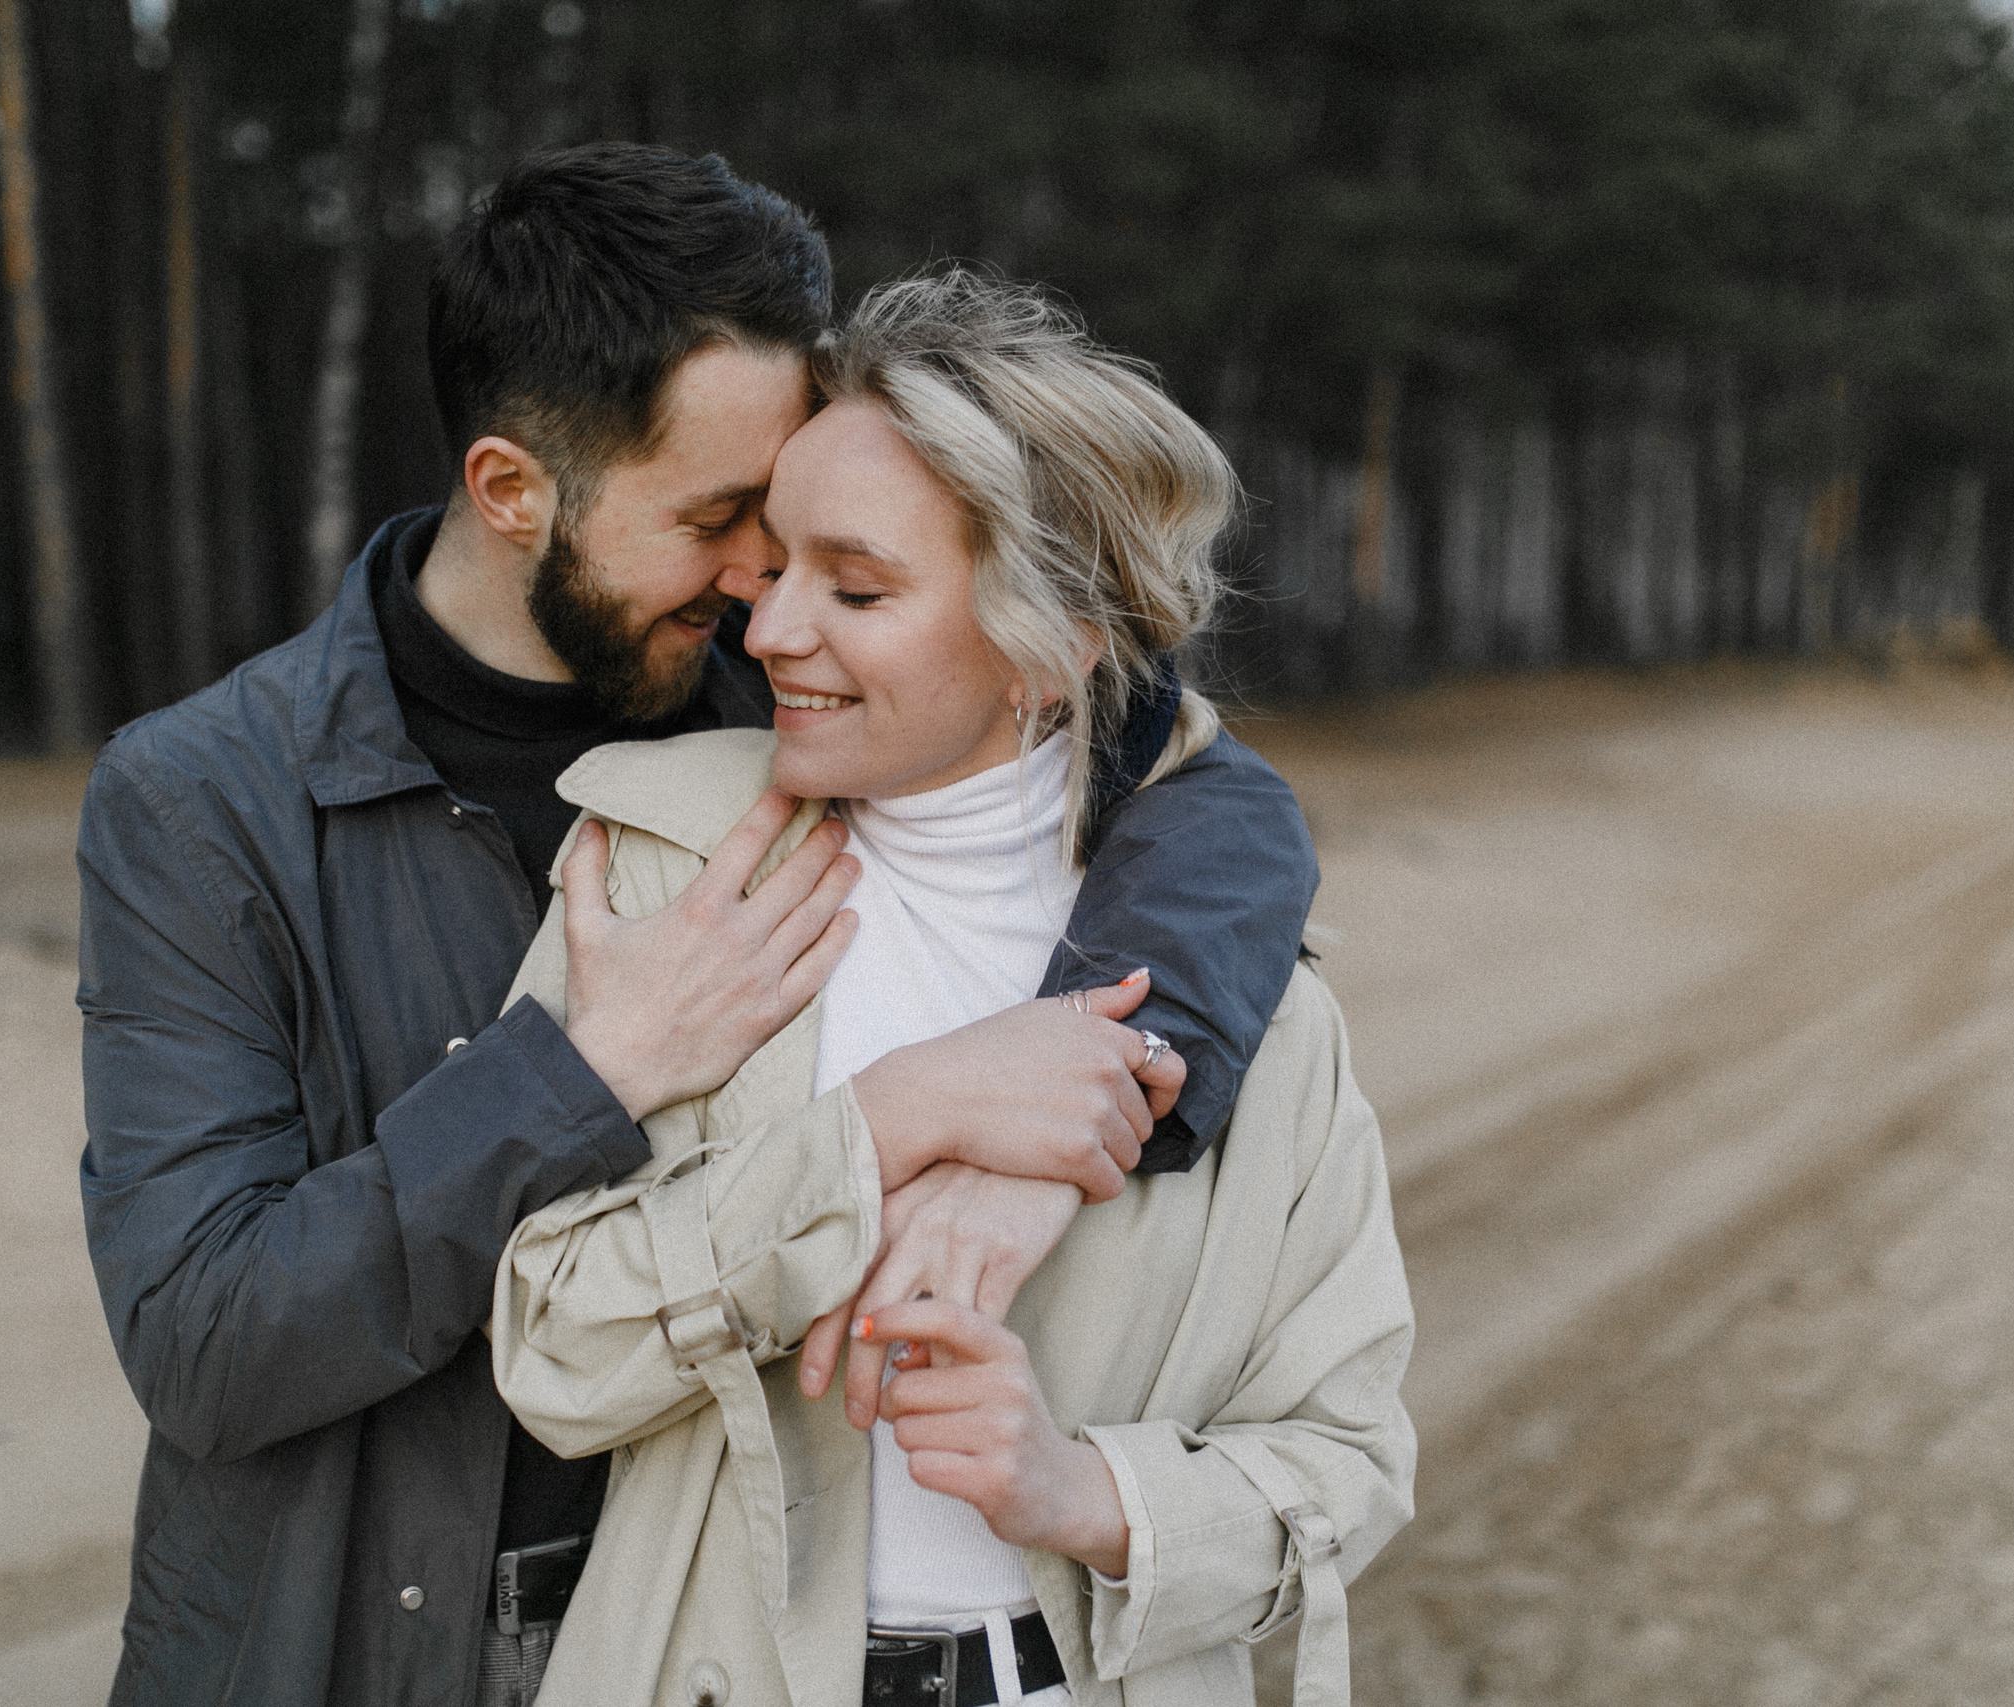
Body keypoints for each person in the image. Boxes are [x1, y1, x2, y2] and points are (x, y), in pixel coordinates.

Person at [76, 147, 1317, 1704]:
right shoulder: (206, 801)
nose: (763, 584)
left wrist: (1089, 1088)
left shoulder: (788, 704)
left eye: (797, 526)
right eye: (725, 516)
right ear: (513, 490)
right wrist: (580, 1071)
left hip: (694, 1643)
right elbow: (208, 1345)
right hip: (344, 1650)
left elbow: (1213, 797)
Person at [489, 272, 1414, 1707]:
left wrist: (1085, 1493)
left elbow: (1350, 1460)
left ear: (1052, 644)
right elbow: (548, 1349)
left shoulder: (1255, 1003)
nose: (772, 629)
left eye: (856, 588)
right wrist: (872, 1132)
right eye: (778, 561)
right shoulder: (657, 875)